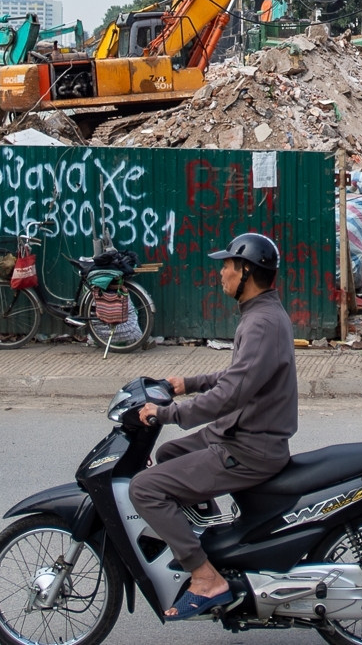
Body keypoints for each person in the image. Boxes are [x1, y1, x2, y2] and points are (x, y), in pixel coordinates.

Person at [131, 232, 297, 622]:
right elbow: (237, 374)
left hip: (249, 447)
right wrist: (187, 383)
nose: (220, 273)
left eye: (226, 265)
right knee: (169, 453)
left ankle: (206, 578)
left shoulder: (261, 324)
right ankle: (215, 543)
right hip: (240, 431)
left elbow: (231, 394)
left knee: (146, 488)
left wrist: (166, 414)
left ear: (246, 272)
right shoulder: (261, 315)